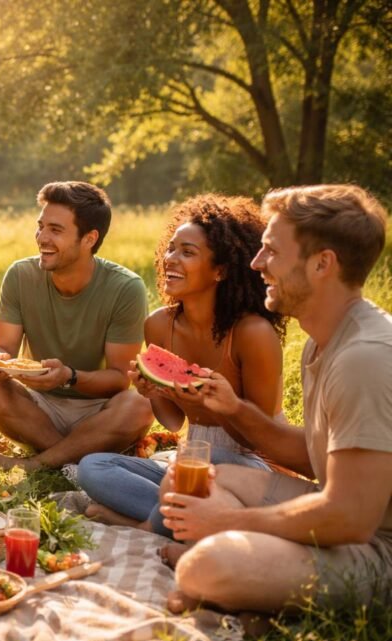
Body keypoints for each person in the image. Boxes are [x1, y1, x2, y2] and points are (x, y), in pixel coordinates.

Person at [159, 184, 392, 615]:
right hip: (344, 519)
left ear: (323, 264)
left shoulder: (366, 357)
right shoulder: (324, 341)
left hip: (377, 547)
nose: (256, 263)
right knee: (190, 478)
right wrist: (233, 409)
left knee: (205, 567)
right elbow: (315, 455)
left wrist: (228, 523)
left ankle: (229, 575)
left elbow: (351, 518)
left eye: (271, 252)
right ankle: (250, 579)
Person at [76, 195, 286, 533]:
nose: (170, 259)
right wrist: (153, 390)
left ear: (220, 270)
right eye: (171, 249)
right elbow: (173, 421)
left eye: (187, 253)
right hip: (186, 466)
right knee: (93, 467)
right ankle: (179, 520)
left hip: (253, 467)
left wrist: (211, 404)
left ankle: (147, 524)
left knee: (205, 463)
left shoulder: (252, 333)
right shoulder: (159, 325)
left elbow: (260, 437)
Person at [0, 181, 153, 471]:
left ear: (89, 238)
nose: (42, 237)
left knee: (140, 406)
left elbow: (119, 379)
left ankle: (35, 464)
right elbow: (3, 345)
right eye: (40, 226)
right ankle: (74, 457)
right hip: (39, 406)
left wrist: (68, 377)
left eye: (55, 230)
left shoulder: (126, 288)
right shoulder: (21, 275)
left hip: (97, 408)